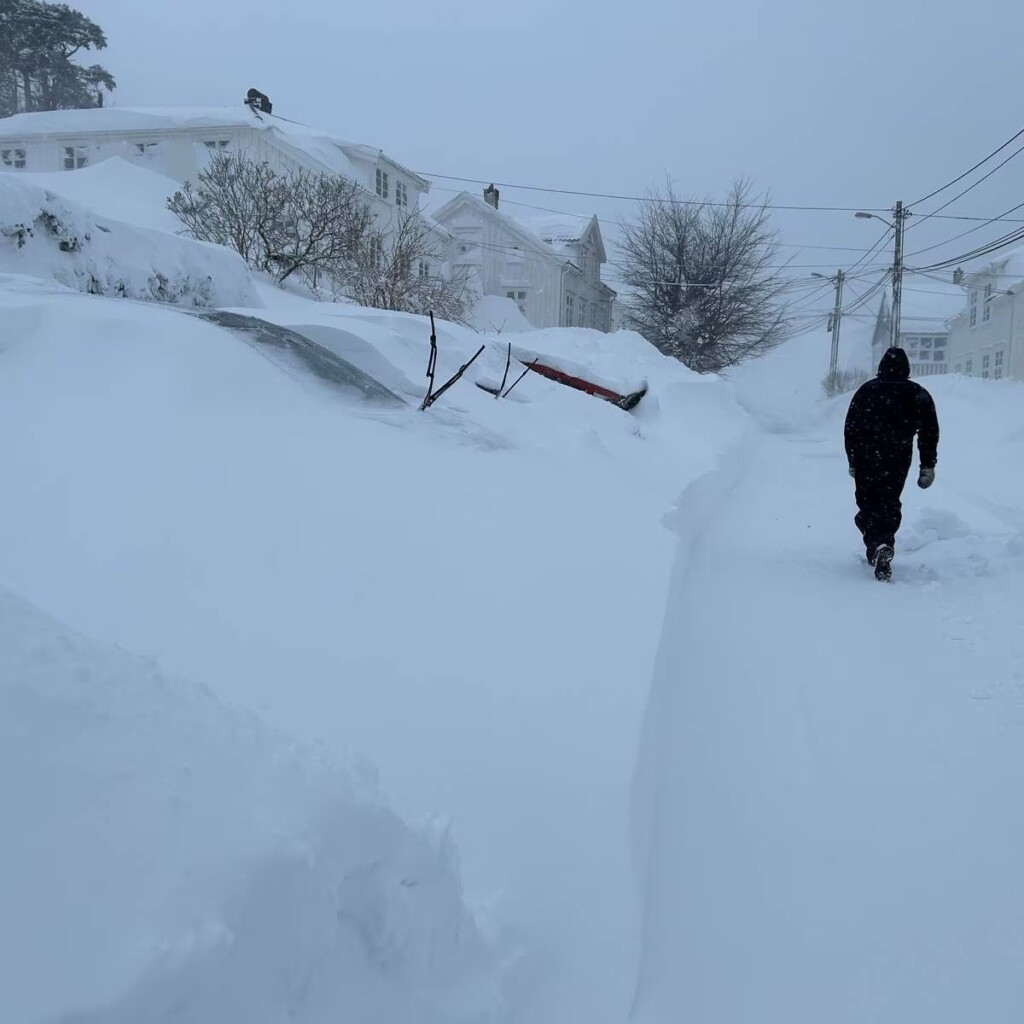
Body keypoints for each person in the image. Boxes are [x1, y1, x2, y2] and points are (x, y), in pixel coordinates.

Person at [844, 347, 940, 581]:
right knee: (889, 502)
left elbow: (851, 429)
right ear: (906, 368)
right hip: (898, 457)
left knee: (867, 504)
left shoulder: (867, 391)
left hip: (867, 456)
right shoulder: (917, 394)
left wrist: (853, 460)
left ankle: (876, 544)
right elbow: (929, 431)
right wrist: (927, 464)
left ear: (881, 367)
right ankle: (883, 544)